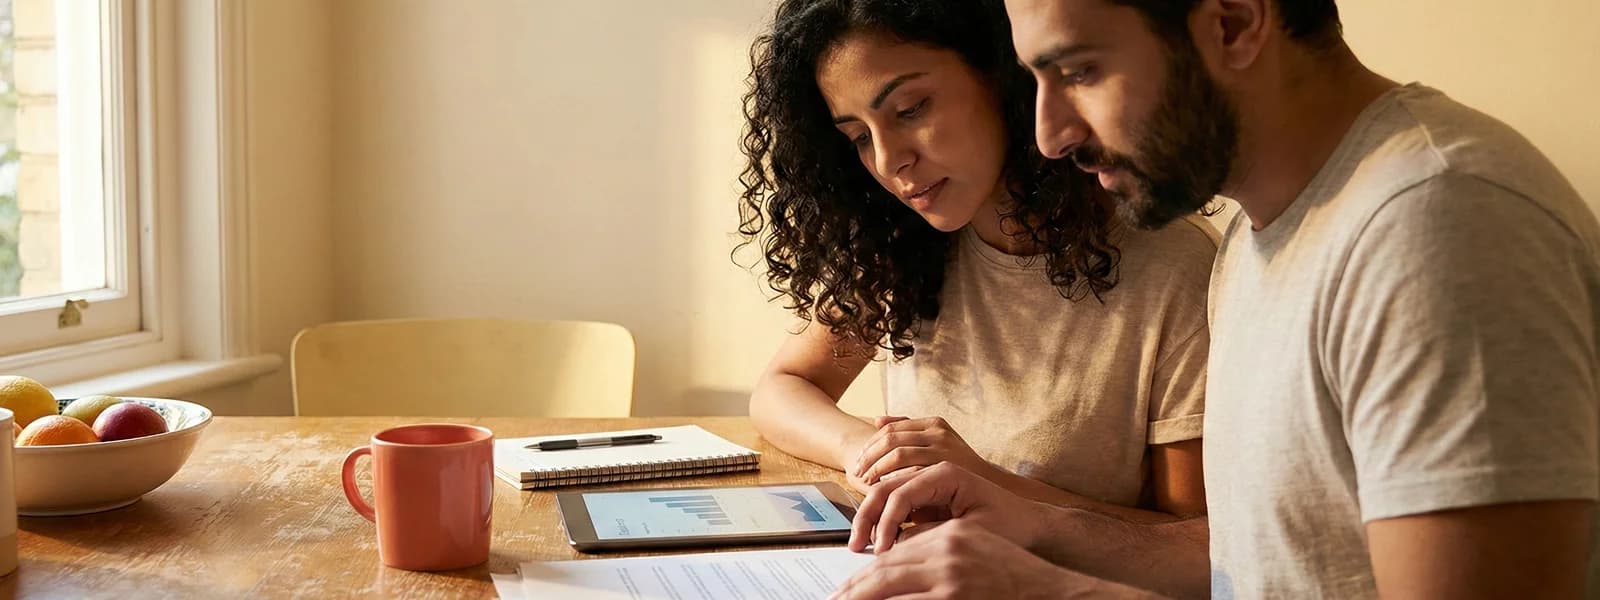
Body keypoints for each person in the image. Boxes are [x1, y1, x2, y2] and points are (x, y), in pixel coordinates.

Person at [833, 0, 1600, 598]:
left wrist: (1059, 595)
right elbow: (1255, 563)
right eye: (1035, 79)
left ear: (1233, 22)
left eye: (1079, 72)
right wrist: (1029, 522)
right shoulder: (1258, 228)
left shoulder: (1441, 225)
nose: (1049, 134)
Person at [738, 0, 1221, 524]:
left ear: (1003, 75)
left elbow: (1195, 543)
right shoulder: (903, 244)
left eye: (910, 109)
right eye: (858, 136)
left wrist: (978, 484)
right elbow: (781, 388)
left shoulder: (1176, 266)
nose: (886, 159)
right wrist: (867, 449)